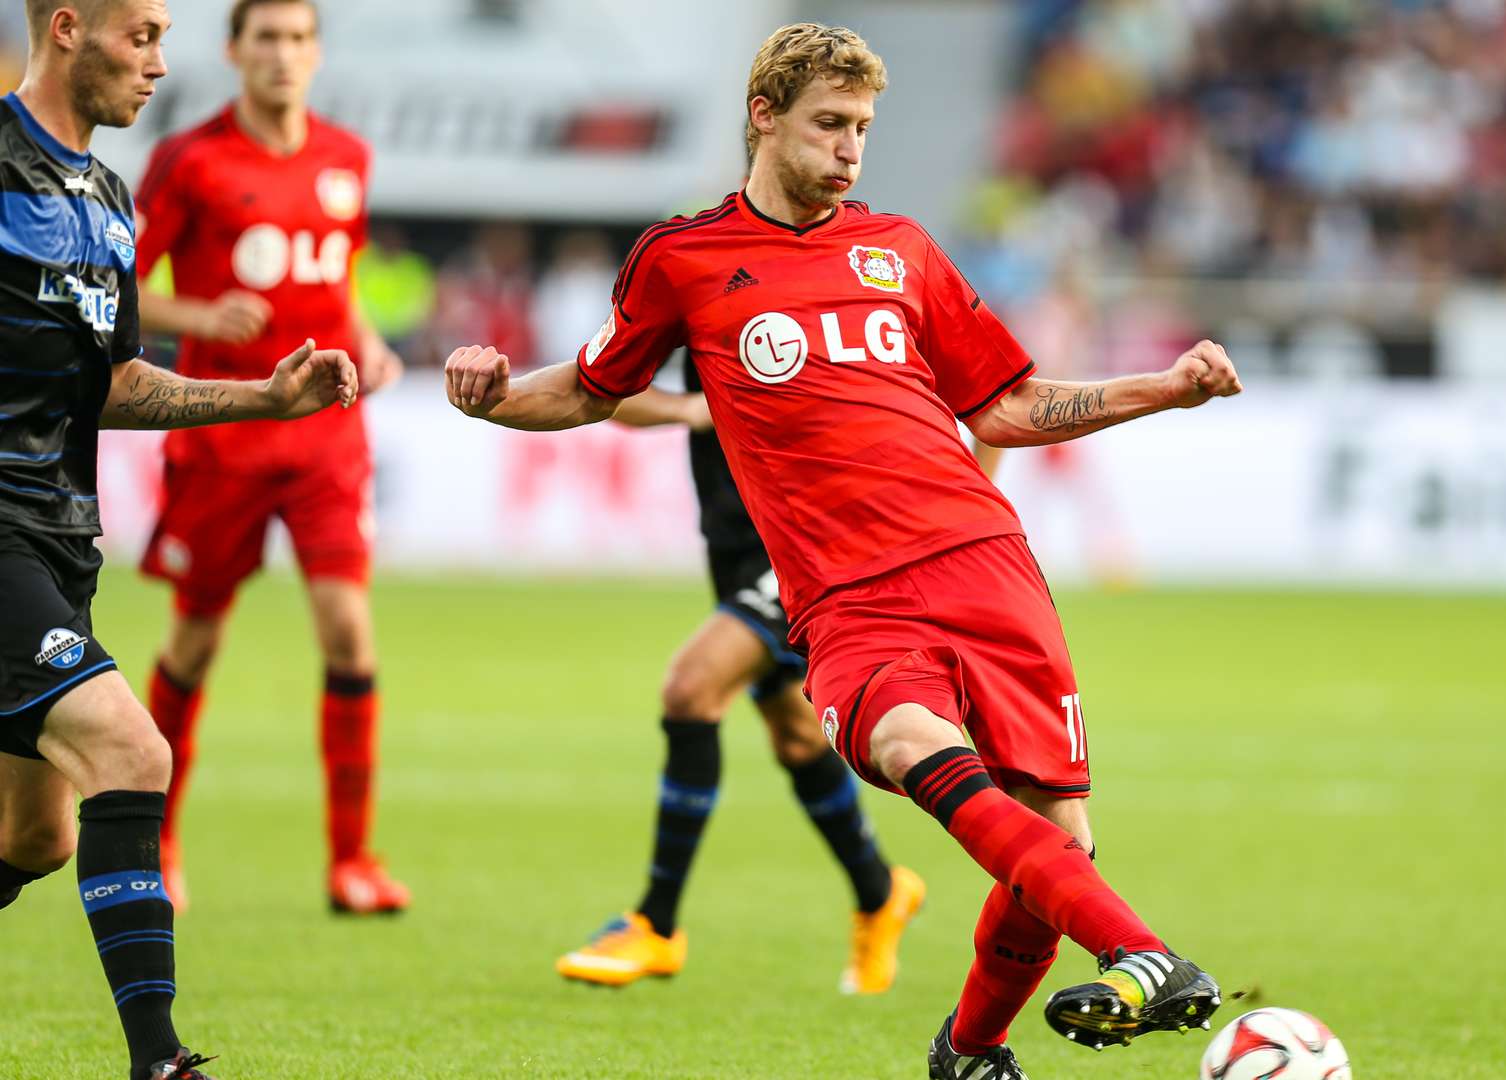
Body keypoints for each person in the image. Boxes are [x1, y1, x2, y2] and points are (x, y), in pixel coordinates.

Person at [444, 24, 1239, 1078]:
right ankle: (1143, 953)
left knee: (1061, 842)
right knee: (907, 747)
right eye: (829, 124)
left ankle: (970, 1049)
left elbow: (1006, 408)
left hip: (986, 560)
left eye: (862, 128)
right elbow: (590, 388)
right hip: (850, 596)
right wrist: (491, 396)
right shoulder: (683, 259)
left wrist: (1165, 388)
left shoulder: (900, 248)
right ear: (764, 117)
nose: (850, 149)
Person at [0, 3, 359, 1077]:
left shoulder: (108, 201)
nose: (162, 62)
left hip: (61, 539)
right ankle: (161, 1063)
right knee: (131, 748)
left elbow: (116, 386)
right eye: (142, 35)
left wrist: (267, 398)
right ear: (68, 28)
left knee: (36, 838)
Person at [131, 0, 407, 914]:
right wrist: (200, 317)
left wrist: (364, 341)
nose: (284, 55)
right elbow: (118, 291)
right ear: (235, 53)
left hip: (327, 432)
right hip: (225, 427)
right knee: (197, 639)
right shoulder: (194, 160)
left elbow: (337, 280)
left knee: (349, 633)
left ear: (316, 53)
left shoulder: (347, 159)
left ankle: (352, 861)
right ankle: (158, 838)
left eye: (298, 39)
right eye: (267, 39)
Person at [554, 367, 928, 994]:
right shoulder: (687, 280)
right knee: (798, 738)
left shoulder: (820, 287)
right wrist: (689, 409)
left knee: (691, 687)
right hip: (733, 543)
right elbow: (602, 389)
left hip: (813, 540)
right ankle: (880, 890)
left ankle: (657, 922)